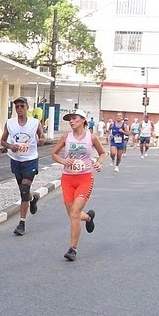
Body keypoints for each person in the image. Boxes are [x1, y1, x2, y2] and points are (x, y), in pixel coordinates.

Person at [51, 109, 106, 261]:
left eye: (74, 118)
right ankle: (88, 218)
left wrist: (99, 163)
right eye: (69, 119)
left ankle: (72, 249)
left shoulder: (91, 137)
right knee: (73, 215)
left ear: (83, 120)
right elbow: (54, 154)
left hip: (85, 178)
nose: (71, 121)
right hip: (67, 179)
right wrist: (63, 161)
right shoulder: (65, 137)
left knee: (75, 213)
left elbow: (102, 153)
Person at [0, 96, 45, 236]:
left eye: (22, 106)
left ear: (27, 107)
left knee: (24, 190)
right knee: (23, 191)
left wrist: (41, 141)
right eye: (17, 106)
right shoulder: (10, 123)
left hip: (30, 160)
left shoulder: (35, 123)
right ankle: (33, 199)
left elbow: (42, 137)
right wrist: (10, 146)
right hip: (15, 160)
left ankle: (22, 223)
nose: (19, 108)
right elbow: (2, 141)